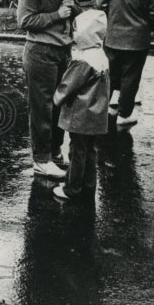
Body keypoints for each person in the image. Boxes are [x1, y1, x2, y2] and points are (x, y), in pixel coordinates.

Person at [16, 0, 82, 179]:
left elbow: (78, 14)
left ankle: (54, 152)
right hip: (40, 52)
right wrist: (56, 14)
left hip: (63, 52)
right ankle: (41, 159)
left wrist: (72, 7)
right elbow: (24, 20)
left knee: (59, 105)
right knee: (42, 108)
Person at [94, 0, 154, 129]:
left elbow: (99, 4)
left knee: (111, 74)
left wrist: (111, 17)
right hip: (138, 39)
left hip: (113, 36)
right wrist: (149, 24)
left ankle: (107, 107)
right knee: (131, 76)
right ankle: (124, 114)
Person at [52, 10, 110, 202]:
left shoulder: (82, 61)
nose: (74, 35)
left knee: (76, 150)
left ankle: (72, 188)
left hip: (81, 113)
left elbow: (68, 86)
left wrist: (56, 99)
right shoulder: (100, 56)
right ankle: (88, 186)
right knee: (90, 150)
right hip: (97, 113)